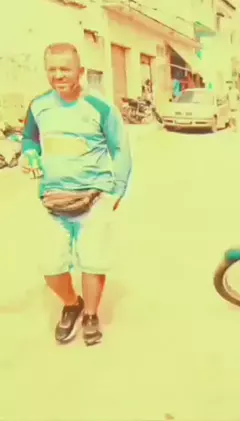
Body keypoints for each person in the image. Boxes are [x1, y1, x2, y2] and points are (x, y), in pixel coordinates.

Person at [21, 42, 132, 346]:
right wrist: (29, 153)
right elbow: (30, 138)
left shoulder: (100, 108)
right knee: (50, 267)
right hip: (52, 201)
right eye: (52, 69)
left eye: (65, 69)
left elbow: (120, 149)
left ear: (80, 71)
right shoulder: (38, 106)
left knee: (93, 263)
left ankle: (91, 314)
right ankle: (72, 304)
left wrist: (116, 192)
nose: (58, 75)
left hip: (94, 200)